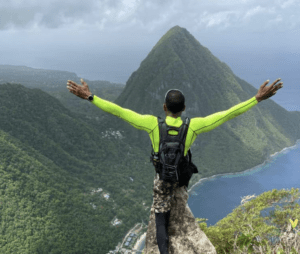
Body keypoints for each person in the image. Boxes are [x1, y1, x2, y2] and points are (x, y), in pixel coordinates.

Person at [67, 78, 283, 254]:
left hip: (162, 180)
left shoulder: (152, 124)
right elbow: (227, 114)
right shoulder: (193, 127)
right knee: (179, 211)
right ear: (184, 108)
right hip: (180, 182)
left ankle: (163, 251)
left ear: (164, 107)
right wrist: (257, 99)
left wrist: (90, 97)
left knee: (160, 217)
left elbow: (119, 111)